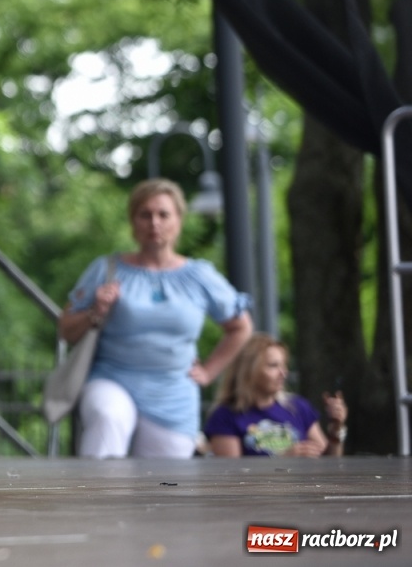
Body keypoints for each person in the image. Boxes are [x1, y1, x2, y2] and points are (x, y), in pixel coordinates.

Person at [60, 178, 253, 459]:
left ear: (179, 221)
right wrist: (95, 311)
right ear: (133, 221)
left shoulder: (200, 276)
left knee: (167, 487)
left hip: (173, 395)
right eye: (145, 214)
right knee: (107, 416)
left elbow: (240, 327)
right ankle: (96, 502)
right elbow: (65, 329)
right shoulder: (107, 269)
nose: (154, 223)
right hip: (113, 379)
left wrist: (209, 371)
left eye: (163, 214)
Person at [205, 334, 348, 457]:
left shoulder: (298, 407)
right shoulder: (225, 416)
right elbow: (229, 477)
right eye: (273, 366)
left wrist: (336, 429)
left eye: (284, 365)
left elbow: (330, 464)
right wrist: (280, 461)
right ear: (249, 371)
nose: (283, 373)